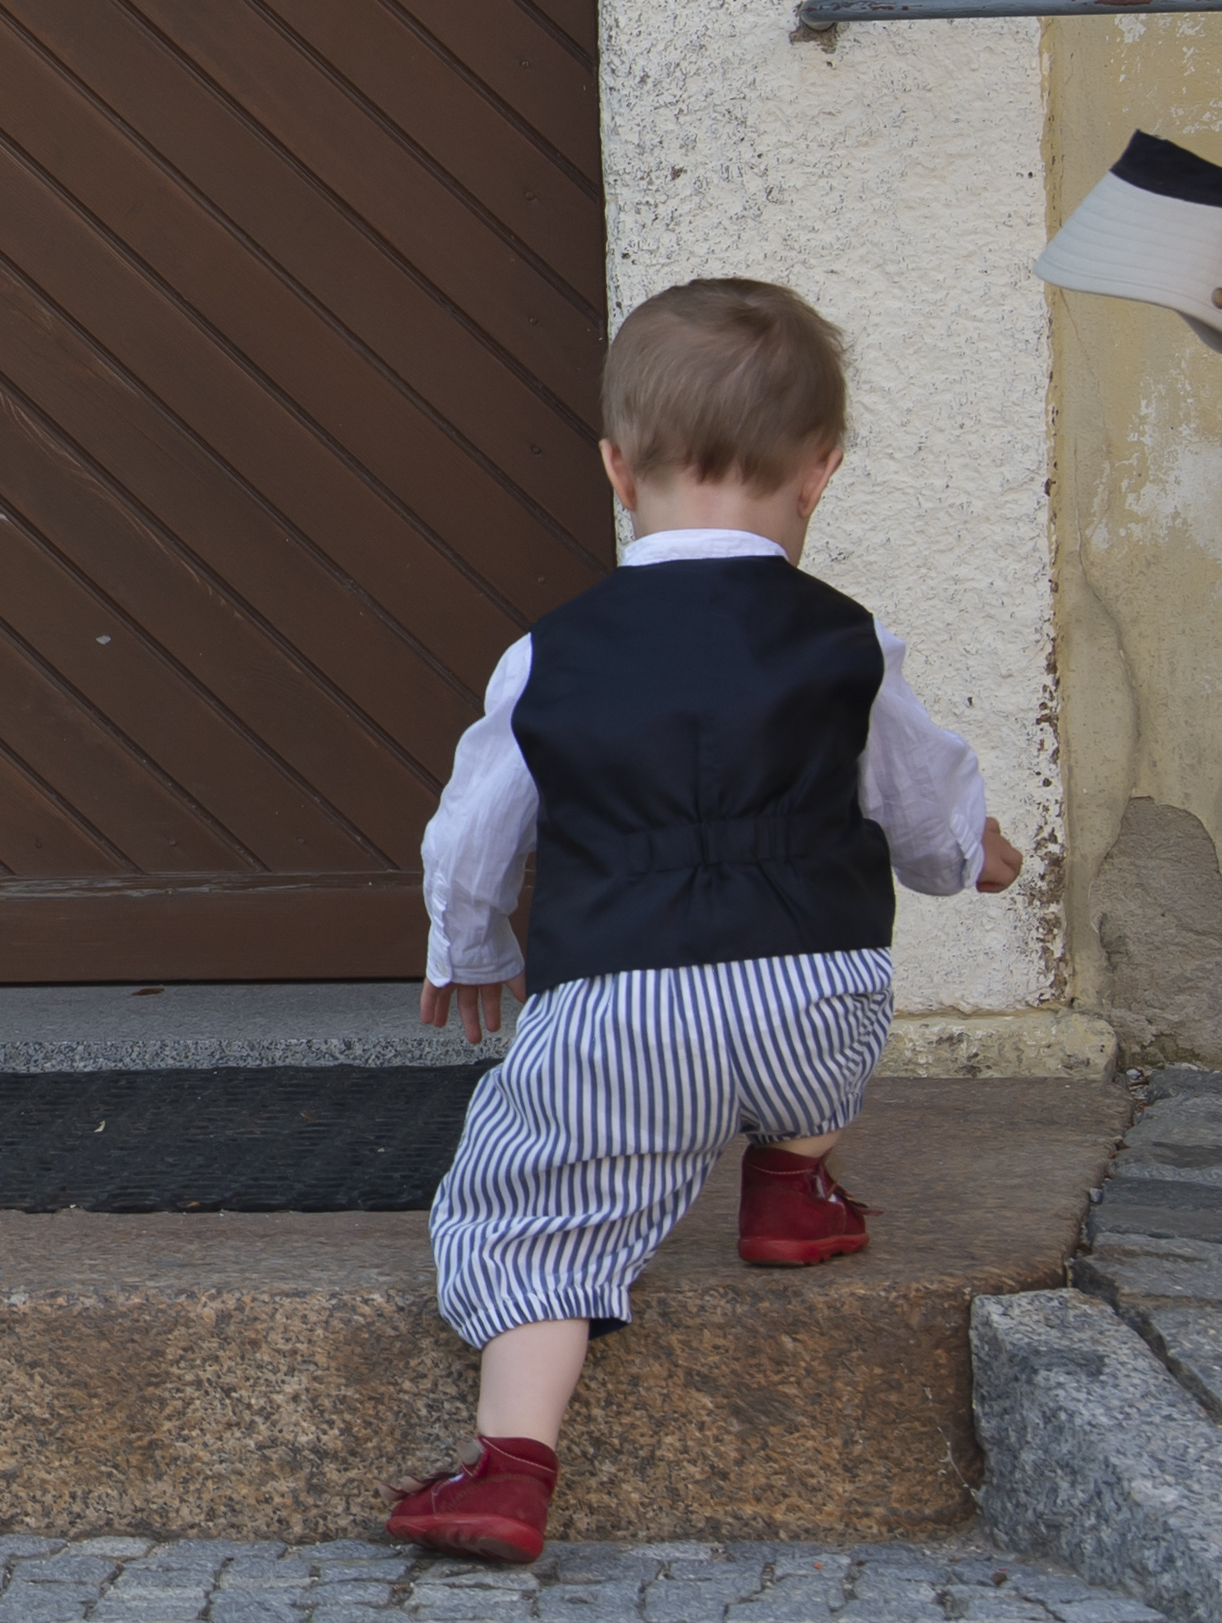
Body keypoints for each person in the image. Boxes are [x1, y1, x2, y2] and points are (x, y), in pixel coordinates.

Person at [386, 279, 1025, 1562]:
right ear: (820, 472)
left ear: (617, 471)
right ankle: (791, 1180)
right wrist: (974, 856)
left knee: (535, 1213)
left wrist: (470, 948)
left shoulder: (548, 652)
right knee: (810, 1017)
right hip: (816, 1002)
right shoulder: (849, 639)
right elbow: (922, 790)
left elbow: (472, 830)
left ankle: (510, 1465)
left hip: (622, 1009)